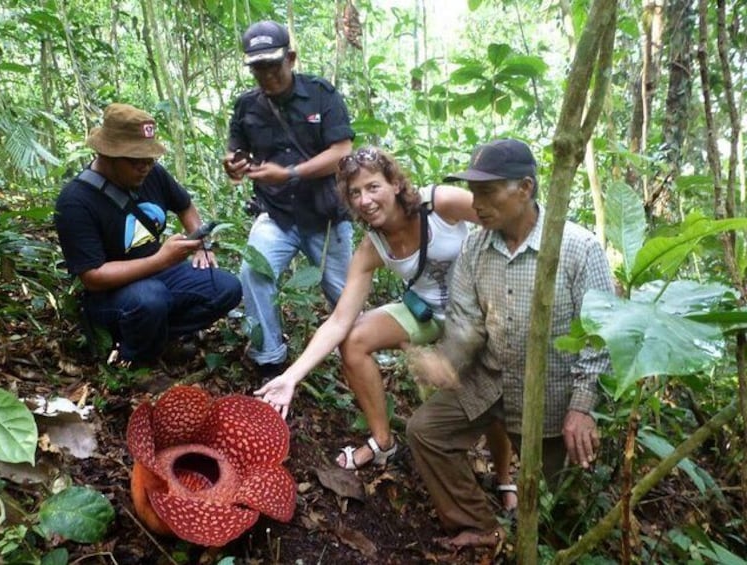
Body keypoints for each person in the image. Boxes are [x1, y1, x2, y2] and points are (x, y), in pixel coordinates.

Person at [254, 148, 517, 507]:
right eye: (355, 193)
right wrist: (291, 376)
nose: (365, 200)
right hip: (429, 315)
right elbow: (340, 319)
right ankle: (383, 442)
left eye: (373, 187)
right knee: (354, 339)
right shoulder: (372, 246)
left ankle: (504, 476)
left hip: (476, 316)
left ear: (395, 184)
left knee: (489, 391)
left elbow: (503, 220)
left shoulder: (441, 203)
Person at [406, 139, 614, 552]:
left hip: (552, 393)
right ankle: (482, 526)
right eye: (473, 191)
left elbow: (601, 333)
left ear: (525, 188)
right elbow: (467, 322)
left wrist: (582, 407)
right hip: (491, 379)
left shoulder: (577, 248)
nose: (476, 203)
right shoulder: (474, 246)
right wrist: (446, 360)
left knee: (562, 507)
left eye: (487, 191)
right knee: (426, 431)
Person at [56, 103, 242, 368]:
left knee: (227, 288)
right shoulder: (75, 202)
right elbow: (93, 278)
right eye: (136, 161)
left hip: (157, 273)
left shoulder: (152, 173)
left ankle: (161, 337)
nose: (145, 167)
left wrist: (201, 244)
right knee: (150, 299)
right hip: (111, 294)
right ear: (107, 154)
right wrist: (162, 260)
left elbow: (185, 206)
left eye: (150, 159)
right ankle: (135, 360)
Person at [223, 20, 354, 379]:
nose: (266, 75)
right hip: (276, 213)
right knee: (253, 273)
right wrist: (234, 165)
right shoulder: (246, 105)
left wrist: (291, 172)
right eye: (257, 68)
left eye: (272, 65)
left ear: (291, 58)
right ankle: (270, 359)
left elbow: (342, 152)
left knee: (343, 292)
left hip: (325, 214)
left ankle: (357, 352)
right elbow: (237, 149)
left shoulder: (321, 95)